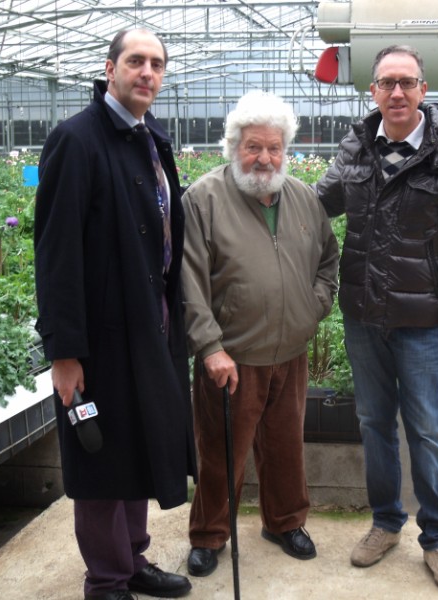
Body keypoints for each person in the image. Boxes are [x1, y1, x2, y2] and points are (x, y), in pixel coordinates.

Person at [316, 45, 438, 594]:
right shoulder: (356, 149)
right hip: (363, 315)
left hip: (420, 320)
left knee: (427, 430)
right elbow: (319, 204)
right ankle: (386, 523)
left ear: (423, 89)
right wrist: (254, 186)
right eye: (386, 83)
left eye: (406, 82)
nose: (396, 92)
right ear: (372, 90)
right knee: (374, 424)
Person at [34, 28, 197, 600]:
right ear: (110, 69)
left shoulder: (150, 138)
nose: (147, 72)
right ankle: (106, 581)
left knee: (136, 446)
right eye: (135, 61)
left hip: (149, 326)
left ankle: (132, 560)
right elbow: (56, 254)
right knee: (101, 457)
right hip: (100, 339)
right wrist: (64, 353)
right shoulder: (77, 141)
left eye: (156, 64)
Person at [180, 90, 339, 578]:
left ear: (285, 150)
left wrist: (313, 307)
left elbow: (328, 260)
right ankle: (210, 535)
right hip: (231, 357)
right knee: (221, 452)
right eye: (253, 147)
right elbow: (188, 280)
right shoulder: (204, 199)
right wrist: (210, 347)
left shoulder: (303, 198)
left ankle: (285, 522)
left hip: (290, 352)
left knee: (285, 446)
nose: (265, 158)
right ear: (234, 147)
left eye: (274, 148)